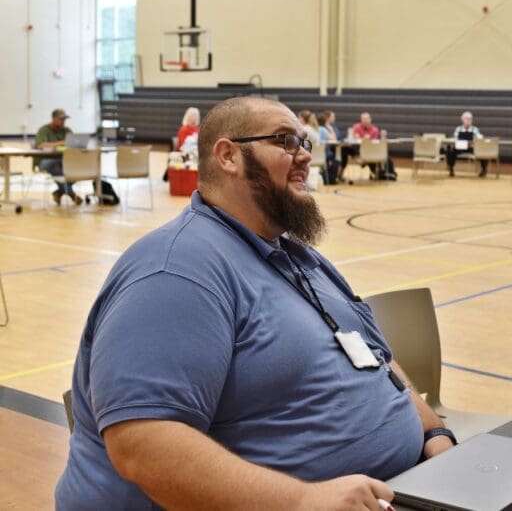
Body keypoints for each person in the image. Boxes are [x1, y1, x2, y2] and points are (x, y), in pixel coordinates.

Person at [55, 97, 454, 510]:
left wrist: (434, 435)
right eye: (286, 141)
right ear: (228, 155)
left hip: (402, 487)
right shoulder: (176, 270)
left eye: (304, 143)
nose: (303, 157)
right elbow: (142, 445)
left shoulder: (299, 258)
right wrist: (303, 500)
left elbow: (377, 362)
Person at [33, 108, 81, 205]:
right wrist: (61, 143)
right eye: (61, 119)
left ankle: (60, 192)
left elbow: (73, 144)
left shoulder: (67, 130)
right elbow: (41, 145)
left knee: (77, 168)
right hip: (45, 161)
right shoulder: (44, 130)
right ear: (53, 118)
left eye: (64, 119)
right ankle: (71, 193)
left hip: (63, 160)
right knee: (55, 165)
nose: (63, 122)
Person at [447, 111, 488, 177]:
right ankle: (451, 168)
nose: (469, 120)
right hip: (461, 147)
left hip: (471, 147)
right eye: (467, 119)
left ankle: (484, 169)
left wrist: (475, 141)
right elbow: (455, 137)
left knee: (482, 151)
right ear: (462, 120)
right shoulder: (458, 129)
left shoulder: (475, 129)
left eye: (470, 119)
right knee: (451, 151)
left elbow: (480, 138)